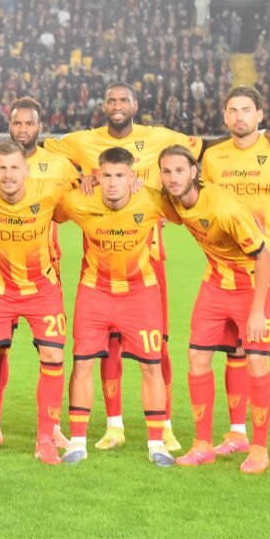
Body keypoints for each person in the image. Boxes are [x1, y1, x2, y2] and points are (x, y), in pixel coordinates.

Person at [0, 81, 204, 453]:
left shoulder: (157, 138)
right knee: (6, 350)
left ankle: (164, 428)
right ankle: (104, 426)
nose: (117, 105)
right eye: (111, 100)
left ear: (135, 104)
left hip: (142, 263)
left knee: (155, 348)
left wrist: (261, 135)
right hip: (62, 269)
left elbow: (200, 153)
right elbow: (33, 158)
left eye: (124, 99)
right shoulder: (78, 144)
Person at [200, 85, 270, 462]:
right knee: (235, 349)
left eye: (246, 109)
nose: (239, 116)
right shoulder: (213, 158)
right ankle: (237, 432)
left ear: (260, 115)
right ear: (224, 115)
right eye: (232, 110)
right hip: (229, 268)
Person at [0, 97, 77, 449]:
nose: (8, 175)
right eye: (2, 169)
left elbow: (90, 196)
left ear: (28, 170)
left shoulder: (53, 183)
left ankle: (48, 435)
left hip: (44, 283)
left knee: (53, 356)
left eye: (15, 169)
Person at [54, 147, 176, 467]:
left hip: (140, 294)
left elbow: (188, 206)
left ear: (132, 177)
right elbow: (48, 212)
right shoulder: (79, 201)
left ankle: (157, 444)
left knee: (151, 367)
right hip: (94, 293)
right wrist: (77, 182)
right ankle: (77, 443)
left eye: (120, 176)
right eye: (106, 175)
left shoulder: (151, 200)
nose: (112, 183)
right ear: (97, 176)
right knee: (82, 364)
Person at [158, 145, 270, 474]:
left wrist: (257, 311)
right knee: (197, 357)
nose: (173, 178)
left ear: (194, 172)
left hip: (251, 284)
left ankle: (259, 449)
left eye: (180, 170)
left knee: (256, 360)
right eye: (167, 172)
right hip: (215, 283)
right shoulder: (170, 197)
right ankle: (203, 446)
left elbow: (264, 256)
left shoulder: (224, 208)